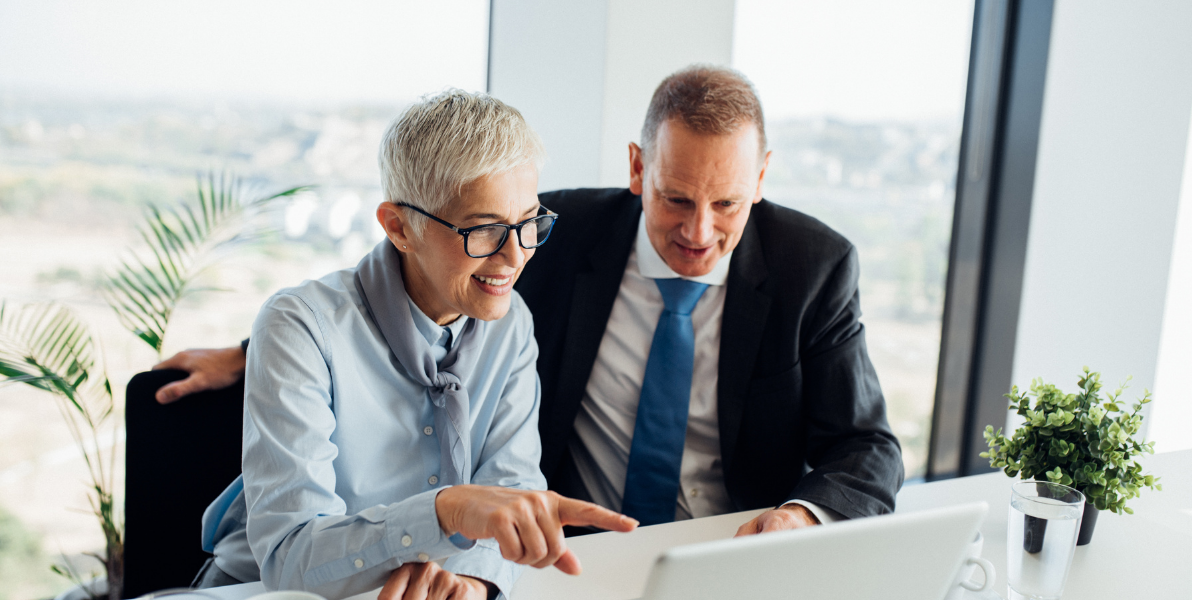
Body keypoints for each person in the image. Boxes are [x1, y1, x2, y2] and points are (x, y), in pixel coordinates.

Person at [158, 66, 904, 541]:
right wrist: (258, 352)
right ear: (638, 169)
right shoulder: (549, 231)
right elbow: (426, 261)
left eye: (728, 203)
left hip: (724, 550)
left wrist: (802, 515)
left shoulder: (815, 267)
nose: (700, 232)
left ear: (764, 178)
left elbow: (867, 449)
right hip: (564, 548)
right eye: (677, 198)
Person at [192, 90, 636, 600]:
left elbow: (513, 490)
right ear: (399, 227)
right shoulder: (302, 327)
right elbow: (289, 560)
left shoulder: (510, 323)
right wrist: (444, 511)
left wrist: (471, 579)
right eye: (485, 229)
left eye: (528, 222)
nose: (515, 256)